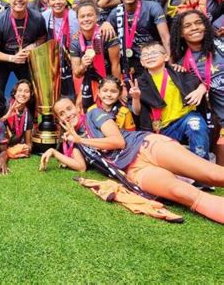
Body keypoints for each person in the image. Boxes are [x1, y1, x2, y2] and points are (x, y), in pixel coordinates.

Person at [40, 93, 224, 224]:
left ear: (77, 107)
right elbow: (80, 167)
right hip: (134, 171)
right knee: (182, 193)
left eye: (68, 109)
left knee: (211, 174)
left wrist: (81, 139)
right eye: (61, 114)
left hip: (144, 146)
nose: (67, 115)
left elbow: (118, 142)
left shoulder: (93, 114)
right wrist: (57, 153)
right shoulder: (75, 140)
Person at [133, 41, 210, 161]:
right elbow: (137, 112)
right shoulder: (139, 83)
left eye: (154, 53)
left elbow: (203, 82)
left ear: (165, 57)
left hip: (185, 118)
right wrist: (136, 97)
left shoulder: (178, 72)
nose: (149, 56)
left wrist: (201, 90)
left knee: (196, 125)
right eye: (145, 55)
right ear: (142, 62)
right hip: (161, 128)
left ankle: (202, 167)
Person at [170, 10, 224, 164]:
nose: (194, 27)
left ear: (206, 26)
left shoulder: (221, 44)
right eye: (187, 26)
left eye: (198, 23)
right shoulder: (183, 64)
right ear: (181, 33)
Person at [105, 0, 171, 78]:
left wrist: (171, 66)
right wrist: (106, 23)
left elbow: (165, 37)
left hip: (152, 58)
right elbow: (101, 4)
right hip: (130, 63)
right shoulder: (116, 12)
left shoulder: (152, 7)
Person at [0, 0, 47, 93]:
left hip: (25, 59)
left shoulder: (38, 18)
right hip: (3, 59)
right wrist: (12, 58)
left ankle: (28, 110)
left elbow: (42, 39)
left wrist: (32, 46)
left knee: (33, 92)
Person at [70, 0, 121, 110]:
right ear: (78, 20)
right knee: (84, 110)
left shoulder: (107, 34)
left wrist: (117, 89)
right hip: (91, 82)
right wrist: (83, 65)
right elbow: (77, 74)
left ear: (97, 17)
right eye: (82, 16)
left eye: (90, 15)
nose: (86, 19)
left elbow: (115, 65)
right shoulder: (75, 41)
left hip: (110, 81)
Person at [43, 0, 78, 99]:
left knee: (72, 96)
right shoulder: (44, 17)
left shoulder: (75, 17)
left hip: (70, 61)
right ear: (48, 2)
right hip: (51, 62)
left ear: (66, 0)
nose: (57, 2)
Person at [0, 79, 34, 165]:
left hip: (10, 147)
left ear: (30, 94)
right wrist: (6, 116)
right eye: (20, 90)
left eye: (26, 91)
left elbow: (28, 143)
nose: (22, 94)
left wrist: (27, 148)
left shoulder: (28, 115)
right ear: (14, 93)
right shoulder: (4, 105)